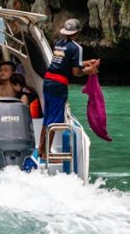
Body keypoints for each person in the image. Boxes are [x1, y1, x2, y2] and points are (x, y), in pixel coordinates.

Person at [41, 18, 100, 148]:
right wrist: (88, 71)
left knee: (47, 118)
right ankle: (46, 152)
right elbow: (75, 72)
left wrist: (86, 62)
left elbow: (65, 63)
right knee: (54, 120)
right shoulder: (76, 48)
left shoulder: (58, 43)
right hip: (58, 85)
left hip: (47, 82)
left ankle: (41, 150)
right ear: (77, 32)